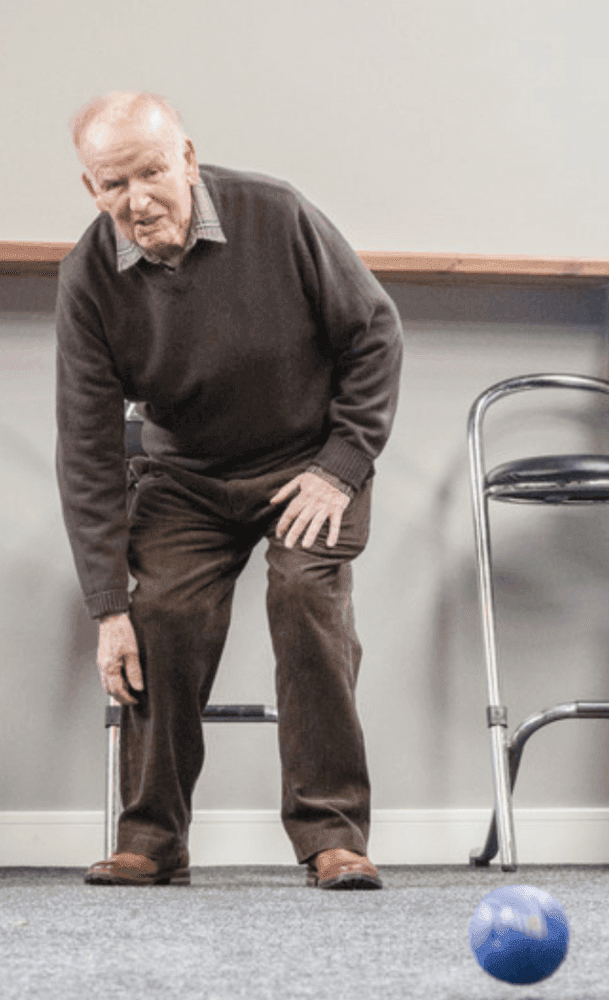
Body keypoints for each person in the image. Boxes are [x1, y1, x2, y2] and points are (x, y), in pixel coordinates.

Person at [56, 92, 403, 889]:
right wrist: (109, 607)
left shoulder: (275, 214)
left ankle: (332, 837)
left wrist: (341, 466)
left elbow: (375, 332)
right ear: (92, 190)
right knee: (162, 617)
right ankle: (152, 838)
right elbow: (87, 445)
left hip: (307, 463)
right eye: (115, 185)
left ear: (186, 157)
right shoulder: (89, 277)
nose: (138, 201)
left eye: (150, 172)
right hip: (187, 478)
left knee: (306, 599)